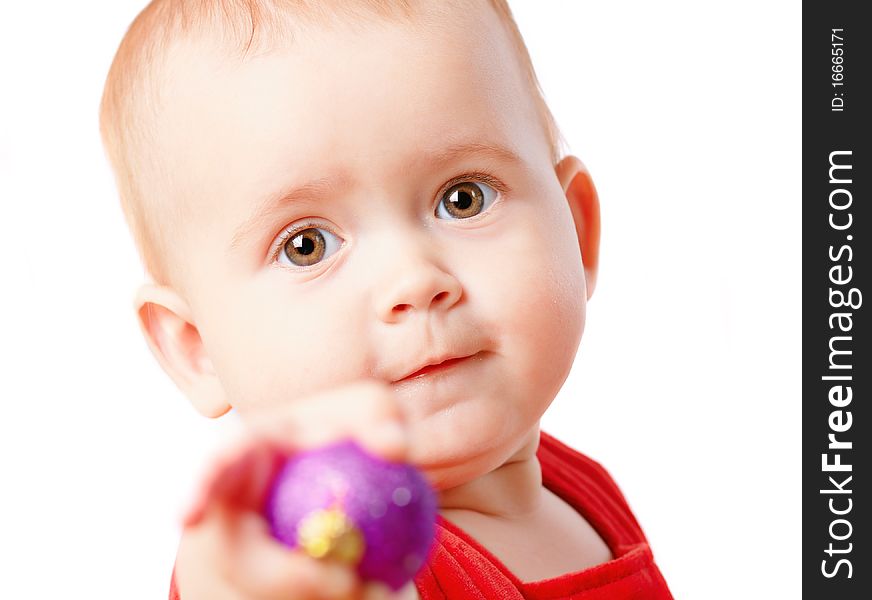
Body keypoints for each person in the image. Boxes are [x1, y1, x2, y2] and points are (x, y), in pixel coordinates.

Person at [100, 1, 673, 598]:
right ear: (198, 350)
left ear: (576, 232)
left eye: (464, 199)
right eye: (307, 245)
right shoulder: (338, 562)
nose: (414, 280)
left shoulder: (580, 489)